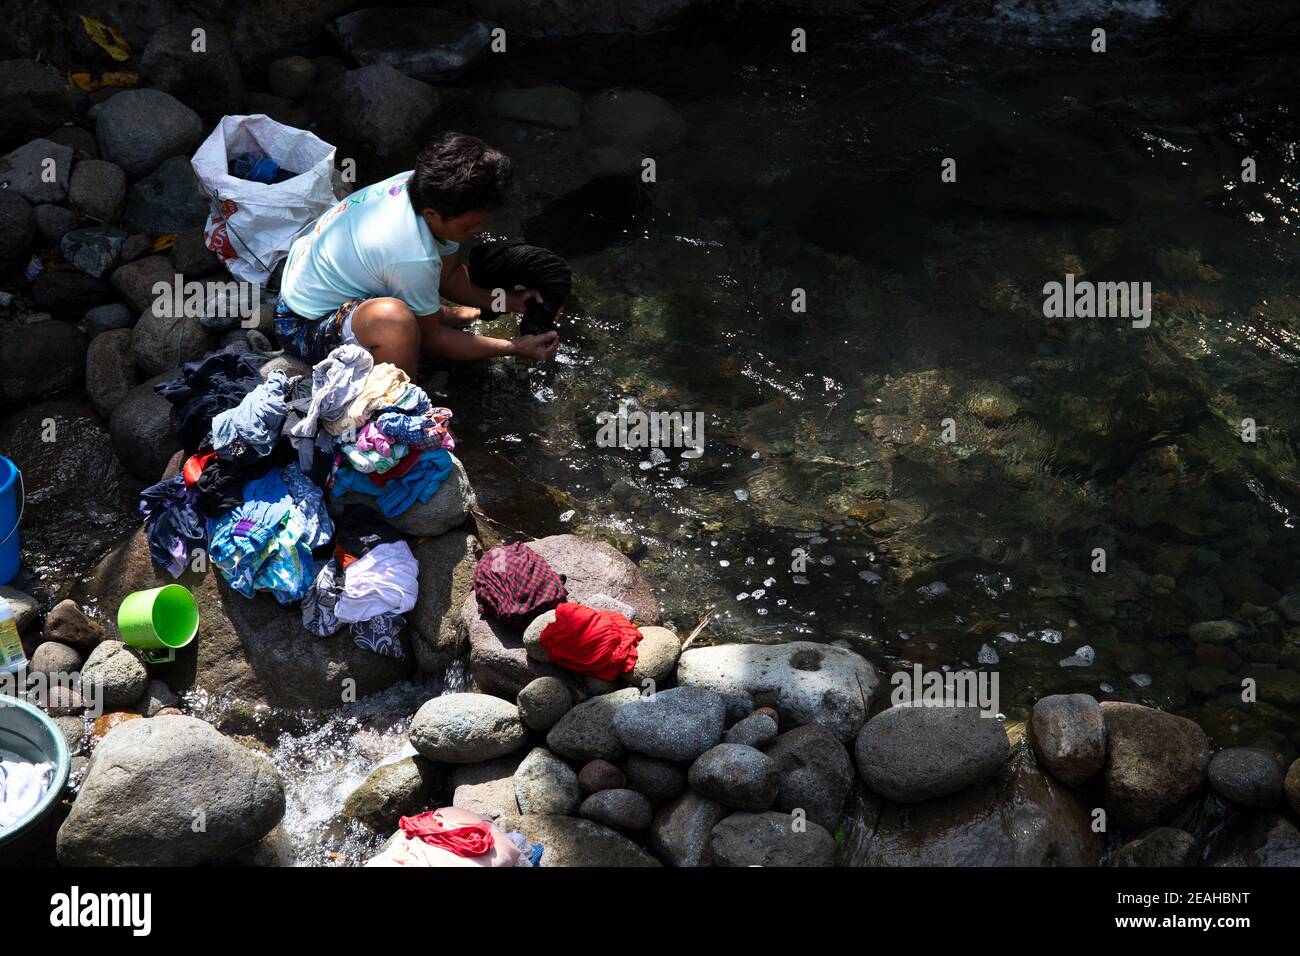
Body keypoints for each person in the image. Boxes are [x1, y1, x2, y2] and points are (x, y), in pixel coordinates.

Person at [274, 132, 572, 379]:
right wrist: (513, 347)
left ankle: (445, 315)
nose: (477, 229)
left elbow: (450, 275)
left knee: (414, 302)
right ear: (433, 215)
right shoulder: (411, 254)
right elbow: (434, 342)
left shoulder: (421, 187)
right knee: (397, 323)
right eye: (469, 224)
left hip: (315, 282)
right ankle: (398, 412)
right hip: (301, 325)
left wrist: (509, 301)